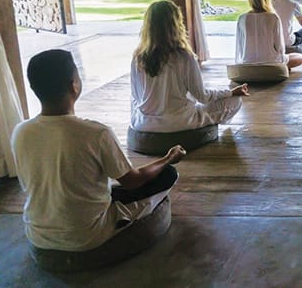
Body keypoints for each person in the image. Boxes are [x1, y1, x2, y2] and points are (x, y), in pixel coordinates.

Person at [11, 49, 186, 252]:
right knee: (167, 175)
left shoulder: (20, 131)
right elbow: (131, 181)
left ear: (34, 88)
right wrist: (168, 158)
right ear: (74, 85)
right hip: (87, 235)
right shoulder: (95, 133)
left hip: (38, 234)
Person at [131, 1, 248, 133]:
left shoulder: (138, 57)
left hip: (144, 124)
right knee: (235, 101)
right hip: (180, 122)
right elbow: (202, 97)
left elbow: (135, 97)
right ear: (176, 23)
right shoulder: (184, 56)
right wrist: (231, 92)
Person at [236, 0, 302, 70]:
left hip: (248, 63)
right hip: (271, 63)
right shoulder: (273, 17)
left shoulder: (242, 18)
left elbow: (240, 46)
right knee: (299, 57)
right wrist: (281, 61)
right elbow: (279, 47)